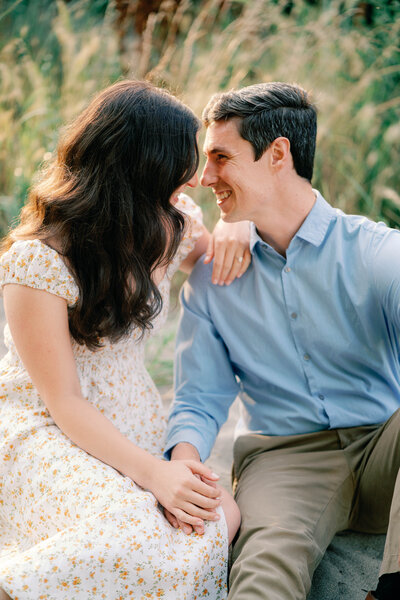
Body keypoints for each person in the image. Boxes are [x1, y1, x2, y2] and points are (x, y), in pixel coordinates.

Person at [0, 80, 245, 600]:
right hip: (50, 428)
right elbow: (63, 401)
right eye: (181, 167)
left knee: (219, 516)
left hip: (135, 423)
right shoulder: (35, 262)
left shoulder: (169, 225)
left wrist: (235, 229)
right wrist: (155, 473)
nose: (198, 179)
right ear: (140, 172)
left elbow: (213, 247)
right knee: (130, 528)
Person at [165, 82, 400, 600]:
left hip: (386, 446)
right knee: (263, 573)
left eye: (221, 158)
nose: (205, 179)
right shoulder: (210, 280)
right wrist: (184, 467)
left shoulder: (377, 253)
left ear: (277, 154)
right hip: (284, 458)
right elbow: (198, 398)